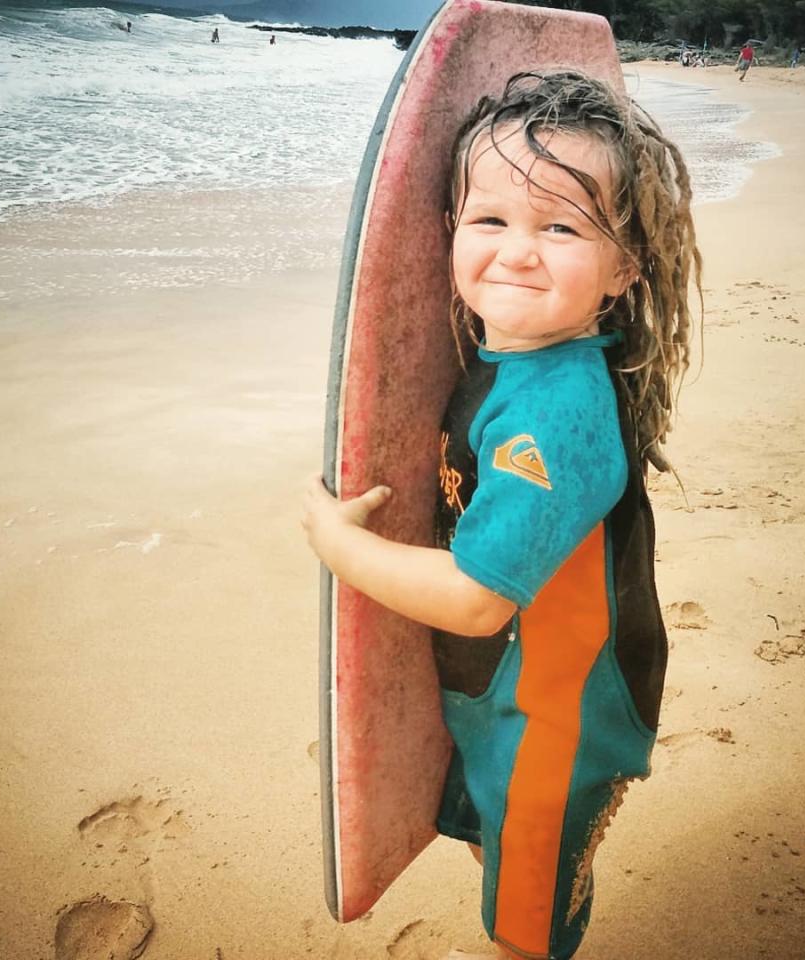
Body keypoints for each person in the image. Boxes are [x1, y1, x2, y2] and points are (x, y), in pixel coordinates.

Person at [303, 70, 701, 960]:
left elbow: (479, 597)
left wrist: (338, 543)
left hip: (555, 721)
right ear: (451, 229)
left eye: (561, 227)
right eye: (491, 221)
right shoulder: (506, 350)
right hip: (505, 689)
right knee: (505, 843)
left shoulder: (552, 414)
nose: (518, 251)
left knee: (528, 906)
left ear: (624, 267)